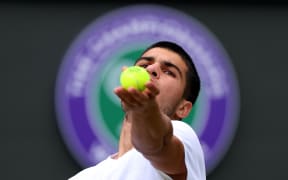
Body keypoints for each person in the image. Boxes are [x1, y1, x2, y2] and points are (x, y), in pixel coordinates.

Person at [69, 41, 206, 180]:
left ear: (183, 108)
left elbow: (158, 146)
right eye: (144, 65)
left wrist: (146, 114)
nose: (151, 68)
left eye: (168, 72)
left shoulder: (184, 135)